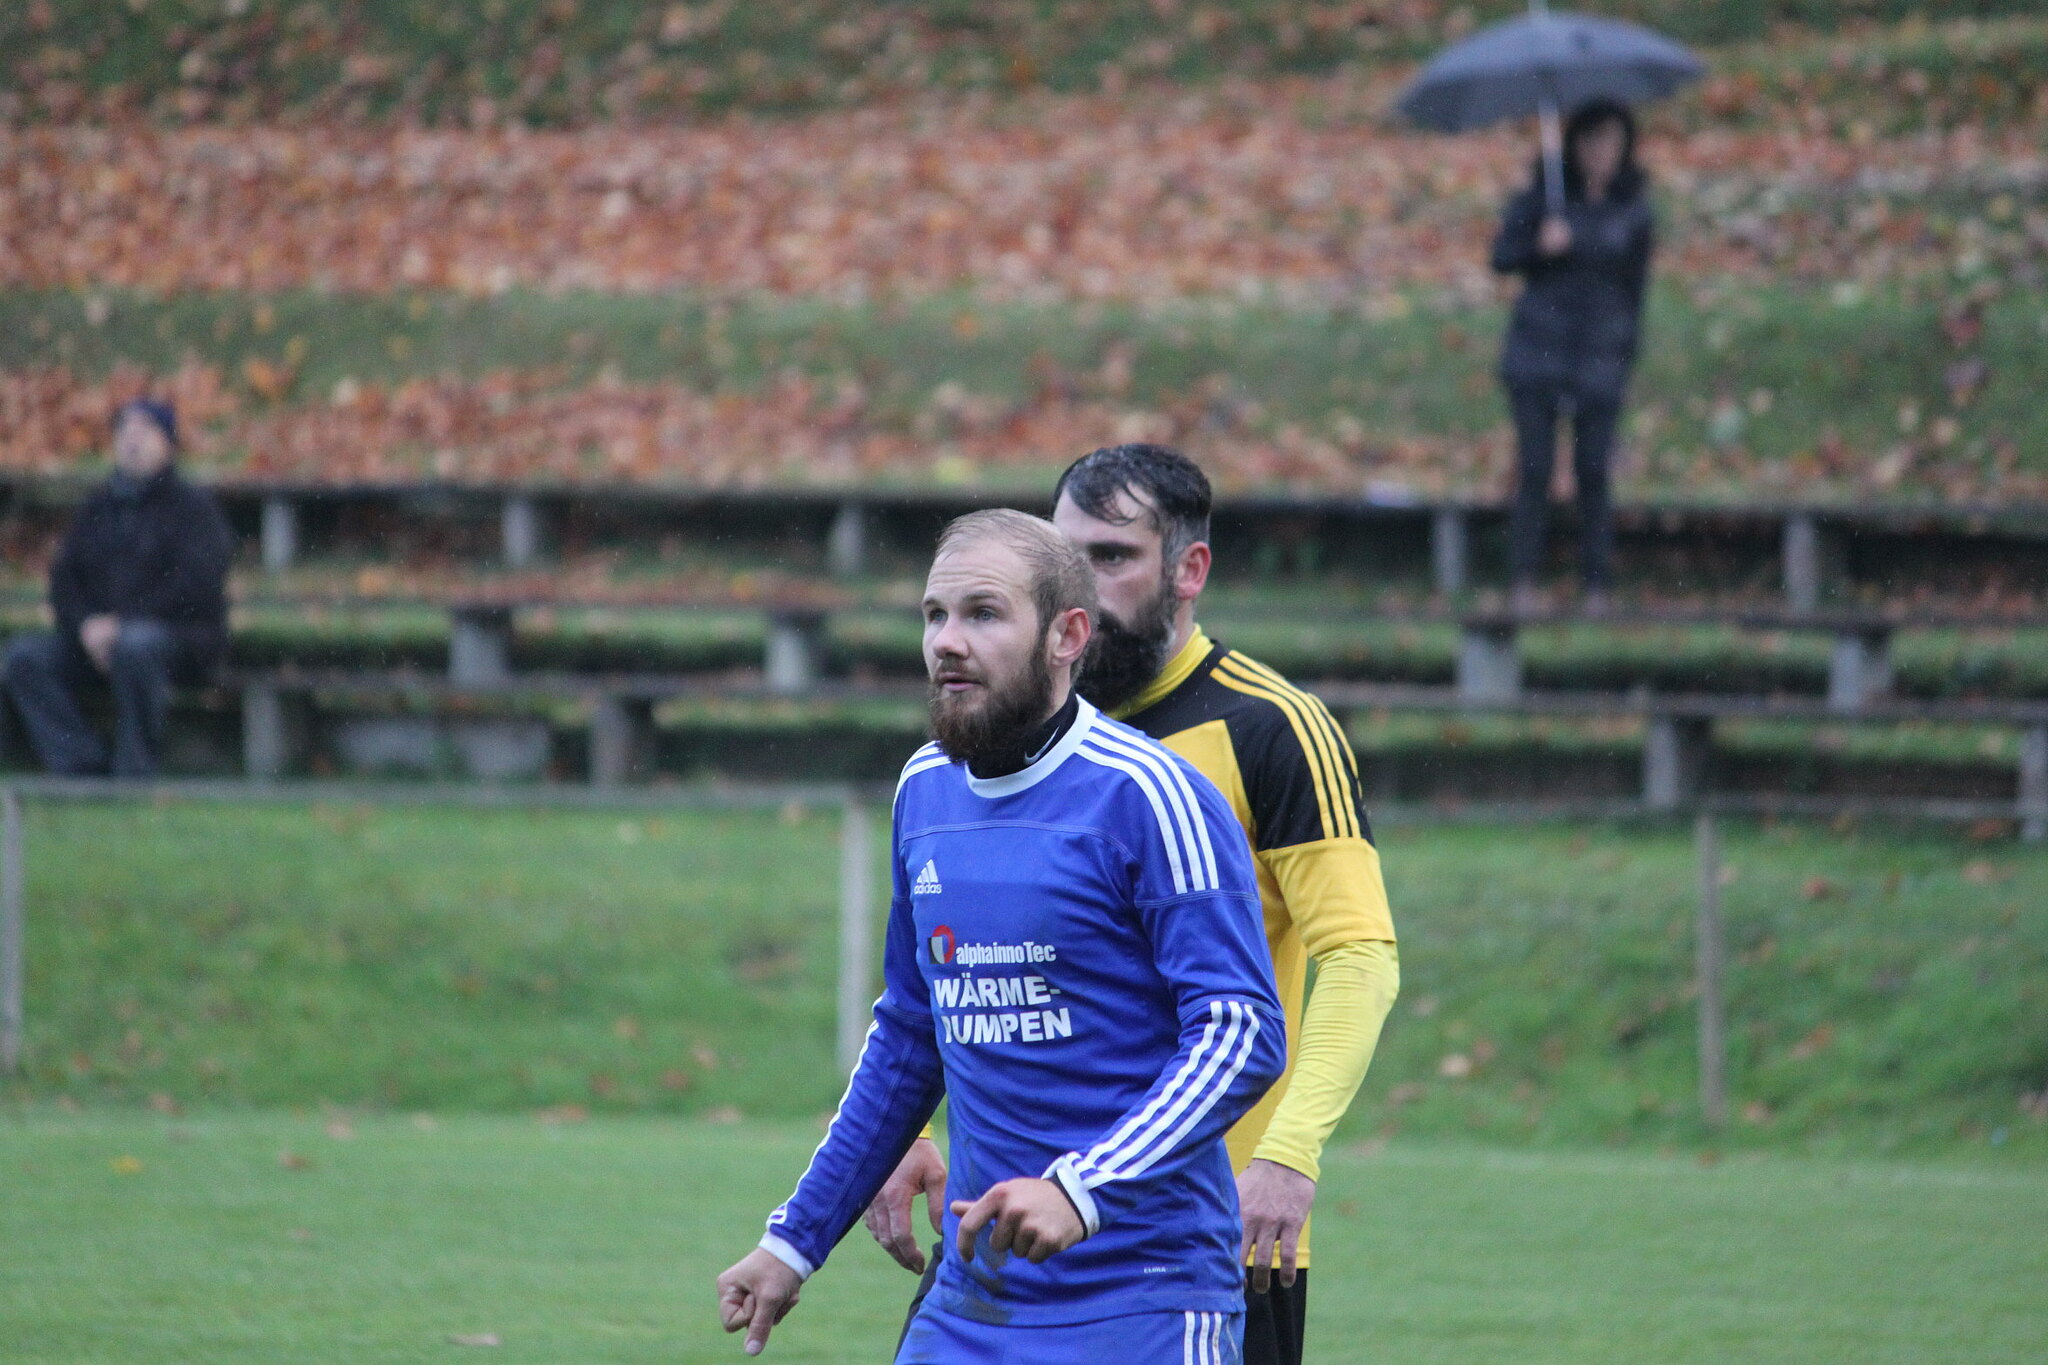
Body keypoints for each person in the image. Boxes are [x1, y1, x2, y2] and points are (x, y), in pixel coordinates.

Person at [866, 446, 1400, 1365]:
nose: (1079, 579)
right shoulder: (1005, 732)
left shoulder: (1271, 728)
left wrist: (1289, 1152)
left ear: (1190, 570)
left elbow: (1359, 956)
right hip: (1007, 1209)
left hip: (1210, 1223)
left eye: (1111, 556)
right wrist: (905, 1128)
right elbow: (952, 969)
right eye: (1063, 552)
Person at [716, 509, 1285, 1362]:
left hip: (1147, 1297)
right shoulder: (925, 789)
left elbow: (1241, 1031)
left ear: (1068, 636)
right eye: (934, 614)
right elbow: (910, 1036)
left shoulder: (1149, 795)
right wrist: (793, 1242)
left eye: (983, 613)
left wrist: (1083, 1188)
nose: (947, 640)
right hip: (974, 1302)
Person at [2, 399, 234, 777]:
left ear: (168, 443)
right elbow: (65, 580)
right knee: (24, 658)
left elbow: (196, 586)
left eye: (145, 430)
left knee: (135, 646)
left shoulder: (193, 509)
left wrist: (122, 623)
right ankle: (79, 763)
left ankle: (134, 772)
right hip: (96, 643)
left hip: (177, 641)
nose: (132, 439)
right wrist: (85, 626)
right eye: (125, 430)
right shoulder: (98, 507)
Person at [1491, 98, 1655, 614]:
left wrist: (1625, 355)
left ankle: (1597, 585)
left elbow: (1636, 289)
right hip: (1539, 349)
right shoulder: (1543, 199)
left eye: (1611, 141)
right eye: (1592, 140)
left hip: (1600, 355)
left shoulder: (1633, 209)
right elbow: (1501, 256)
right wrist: (1539, 245)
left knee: (1594, 471)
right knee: (1535, 468)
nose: (1601, 152)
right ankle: (1524, 582)